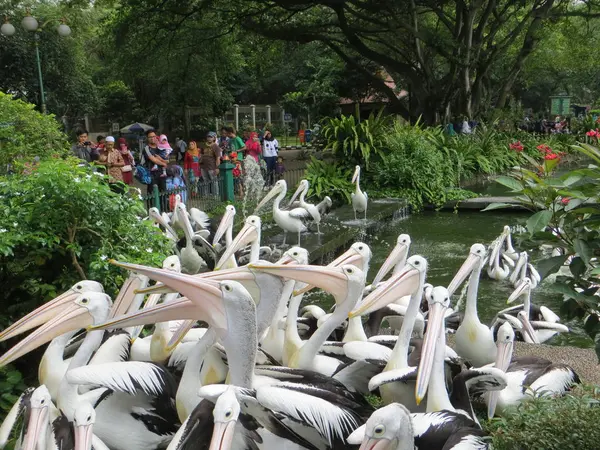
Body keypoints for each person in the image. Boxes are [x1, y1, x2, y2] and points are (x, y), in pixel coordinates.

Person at [141, 129, 168, 205]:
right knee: (152, 195)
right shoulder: (146, 148)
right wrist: (163, 163)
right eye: (150, 137)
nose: (152, 138)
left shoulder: (161, 147)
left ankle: (163, 212)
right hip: (151, 176)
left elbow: (167, 160)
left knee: (163, 194)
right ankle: (152, 213)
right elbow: (153, 159)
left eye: (154, 136)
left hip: (162, 174)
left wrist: (163, 161)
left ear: (156, 137)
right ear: (147, 138)